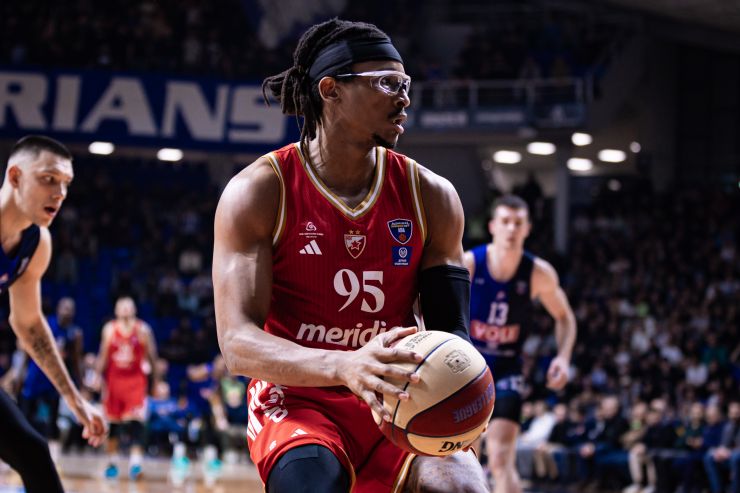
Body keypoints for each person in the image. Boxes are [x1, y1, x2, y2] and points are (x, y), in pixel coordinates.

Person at [213, 18, 488, 493]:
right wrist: (344, 365)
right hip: (299, 398)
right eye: (387, 83)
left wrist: (462, 396)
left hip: (400, 397)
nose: (404, 97)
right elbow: (238, 344)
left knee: (460, 487)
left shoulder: (432, 196)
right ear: (331, 90)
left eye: (406, 84)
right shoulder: (260, 191)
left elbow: (452, 336)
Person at [0, 135, 107, 493]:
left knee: (33, 453)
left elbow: (29, 324)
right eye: (48, 179)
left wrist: (76, 401)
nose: (59, 193)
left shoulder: (37, 243)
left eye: (65, 183)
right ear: (15, 177)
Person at [463, 194, 577, 493]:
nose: (511, 229)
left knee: (501, 458)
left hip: (507, 370)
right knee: (467, 457)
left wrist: (563, 357)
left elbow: (565, 317)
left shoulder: (539, 273)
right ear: (492, 226)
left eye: (518, 223)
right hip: (467, 369)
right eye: (505, 221)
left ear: (527, 229)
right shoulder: (470, 263)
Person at [96, 296, 157, 480]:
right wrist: (97, 377)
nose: (125, 309)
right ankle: (112, 463)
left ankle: (136, 464)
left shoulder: (143, 329)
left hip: (135, 382)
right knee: (113, 425)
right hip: (114, 382)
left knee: (135, 424)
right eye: (121, 306)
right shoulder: (109, 329)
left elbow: (152, 357)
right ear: (116, 310)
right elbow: (103, 356)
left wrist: (157, 382)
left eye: (128, 306)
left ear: (134, 309)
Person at [18, 297, 84, 461]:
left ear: (74, 313)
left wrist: (80, 384)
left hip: (54, 379)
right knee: (25, 416)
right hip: (36, 375)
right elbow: (28, 349)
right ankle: (20, 454)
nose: (66, 312)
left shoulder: (74, 333)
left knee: (53, 419)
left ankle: (53, 458)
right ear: (58, 309)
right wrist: (21, 372)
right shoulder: (45, 324)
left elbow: (76, 360)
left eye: (70, 309)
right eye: (64, 308)